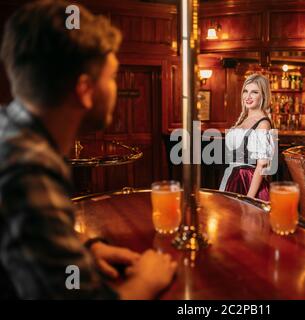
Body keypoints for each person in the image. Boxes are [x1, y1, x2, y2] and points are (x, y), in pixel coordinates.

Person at [0, 0, 176, 299]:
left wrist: (85, 248)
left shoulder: (9, 130)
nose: (116, 88)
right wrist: (147, 280)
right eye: (111, 77)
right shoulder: (30, 169)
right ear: (84, 90)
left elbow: (23, 238)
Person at [219, 73, 275, 201]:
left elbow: (262, 165)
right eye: (245, 91)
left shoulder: (263, 123)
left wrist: (249, 199)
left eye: (254, 92)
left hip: (247, 181)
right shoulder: (244, 119)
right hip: (232, 177)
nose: (248, 96)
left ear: (263, 96)